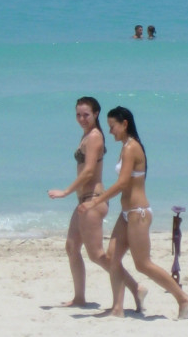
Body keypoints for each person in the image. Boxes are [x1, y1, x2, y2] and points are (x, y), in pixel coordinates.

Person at [78, 106, 188, 319]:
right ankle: (117, 308)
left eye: (112, 126)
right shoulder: (125, 146)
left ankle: (183, 298)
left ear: (124, 124)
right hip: (126, 214)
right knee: (112, 258)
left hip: (138, 213)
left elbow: (122, 183)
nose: (110, 131)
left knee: (143, 264)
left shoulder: (132, 147)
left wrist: (95, 202)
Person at [48, 97, 145, 310]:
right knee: (72, 247)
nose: (82, 118)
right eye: (78, 115)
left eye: (86, 115)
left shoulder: (94, 136)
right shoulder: (87, 135)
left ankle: (135, 287)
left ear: (96, 114)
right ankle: (79, 297)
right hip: (84, 201)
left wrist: (65, 192)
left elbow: (89, 170)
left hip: (93, 200)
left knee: (97, 255)